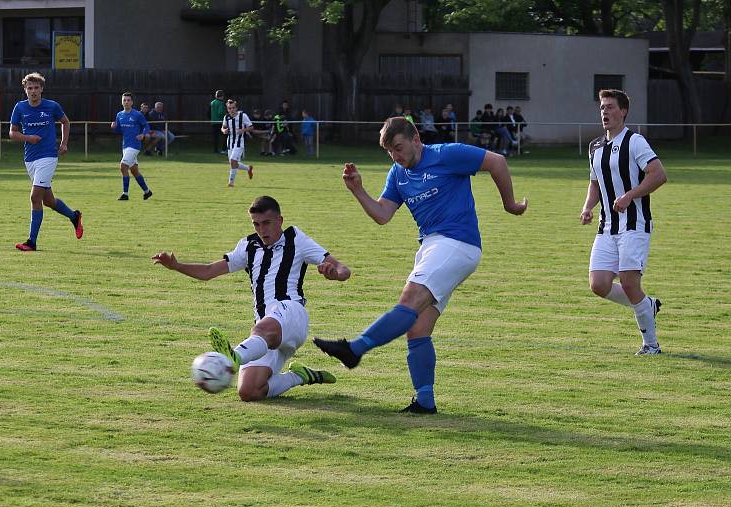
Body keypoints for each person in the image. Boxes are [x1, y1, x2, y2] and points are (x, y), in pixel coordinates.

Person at [313, 117, 528, 414]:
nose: (396, 156)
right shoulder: (398, 173)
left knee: (409, 301)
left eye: (399, 148)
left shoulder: (446, 154)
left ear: (415, 138)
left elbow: (497, 162)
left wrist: (510, 204)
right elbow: (383, 214)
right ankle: (424, 400)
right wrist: (357, 190)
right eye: (390, 152)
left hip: (457, 243)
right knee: (417, 327)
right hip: (432, 247)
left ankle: (355, 350)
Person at [152, 195, 351, 402]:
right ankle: (300, 376)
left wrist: (334, 273)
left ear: (280, 221)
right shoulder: (248, 246)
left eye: (267, 223)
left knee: (261, 330)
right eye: (256, 224)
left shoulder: (296, 239)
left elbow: (343, 269)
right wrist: (177, 266)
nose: (262, 230)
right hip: (265, 333)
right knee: (249, 392)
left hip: (291, 313)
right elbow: (209, 271)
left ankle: (233, 358)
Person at [580, 89, 667, 355]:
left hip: (634, 225)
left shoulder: (635, 142)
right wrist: (587, 208)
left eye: (610, 107)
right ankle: (646, 305)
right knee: (599, 285)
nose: (605, 112)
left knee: (630, 284)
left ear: (623, 111)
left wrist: (630, 195)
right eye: (602, 108)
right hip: (607, 227)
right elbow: (595, 183)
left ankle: (651, 345)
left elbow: (658, 175)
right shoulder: (595, 147)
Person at [10, 72, 83, 252]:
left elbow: (65, 122)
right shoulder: (19, 108)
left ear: (42, 89)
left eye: (36, 88)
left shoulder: (52, 106)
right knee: (48, 201)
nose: (33, 91)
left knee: (35, 197)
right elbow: (12, 132)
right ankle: (74, 216)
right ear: (25, 90)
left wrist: (64, 143)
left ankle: (31, 242)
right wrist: (28, 137)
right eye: (29, 88)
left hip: (48, 156)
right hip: (30, 159)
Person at [111, 92, 153, 201]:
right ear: (122, 102)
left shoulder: (137, 115)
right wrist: (114, 127)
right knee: (134, 171)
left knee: (123, 166)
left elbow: (146, 126)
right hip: (125, 146)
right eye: (124, 100)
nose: (126, 102)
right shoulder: (119, 115)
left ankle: (125, 194)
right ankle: (147, 192)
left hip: (134, 145)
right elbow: (119, 130)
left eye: (128, 100)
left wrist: (143, 134)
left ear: (132, 102)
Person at [221, 99, 254, 187]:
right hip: (230, 142)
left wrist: (243, 130)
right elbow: (223, 127)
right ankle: (248, 168)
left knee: (233, 160)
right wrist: (224, 130)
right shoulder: (226, 117)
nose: (232, 110)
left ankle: (231, 183)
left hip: (239, 143)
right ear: (227, 109)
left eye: (233, 108)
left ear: (236, 108)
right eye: (230, 108)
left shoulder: (242, 116)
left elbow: (251, 127)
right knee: (233, 163)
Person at [210, 90, 226, 154]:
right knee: (225, 135)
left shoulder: (212, 102)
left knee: (215, 137)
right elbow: (220, 113)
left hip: (213, 122)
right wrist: (226, 116)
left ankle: (215, 150)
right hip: (220, 122)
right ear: (222, 96)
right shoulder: (221, 103)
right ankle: (224, 150)